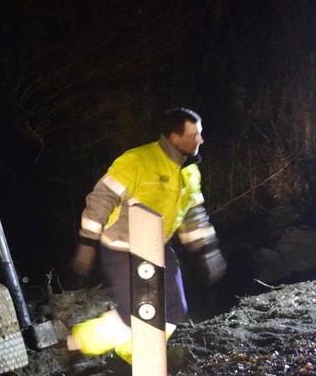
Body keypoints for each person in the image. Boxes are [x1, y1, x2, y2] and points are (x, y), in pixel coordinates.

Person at [67, 107, 227, 362]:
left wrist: (207, 251)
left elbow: (193, 215)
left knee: (175, 308)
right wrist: (87, 243)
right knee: (135, 311)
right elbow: (100, 201)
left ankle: (136, 356)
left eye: (200, 134)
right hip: (121, 247)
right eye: (194, 135)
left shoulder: (190, 172)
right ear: (174, 138)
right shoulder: (136, 161)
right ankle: (78, 342)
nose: (200, 140)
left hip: (158, 245)